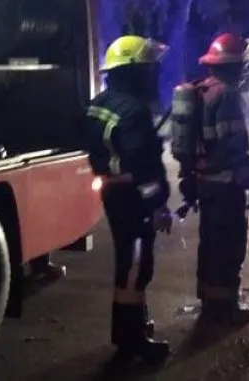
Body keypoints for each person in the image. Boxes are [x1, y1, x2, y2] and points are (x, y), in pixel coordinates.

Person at [82, 35, 174, 362]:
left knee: (129, 261)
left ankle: (132, 330)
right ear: (135, 72)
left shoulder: (100, 102)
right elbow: (143, 168)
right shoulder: (134, 110)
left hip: (112, 192)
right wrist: (158, 205)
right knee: (136, 266)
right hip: (133, 198)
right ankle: (131, 343)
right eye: (149, 69)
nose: (154, 74)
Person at [169, 33, 249, 325]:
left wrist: (188, 177)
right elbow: (235, 145)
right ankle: (225, 311)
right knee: (229, 245)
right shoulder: (227, 96)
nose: (247, 71)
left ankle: (210, 301)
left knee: (209, 243)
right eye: (245, 66)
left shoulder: (200, 91)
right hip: (226, 186)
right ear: (236, 66)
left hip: (203, 183)